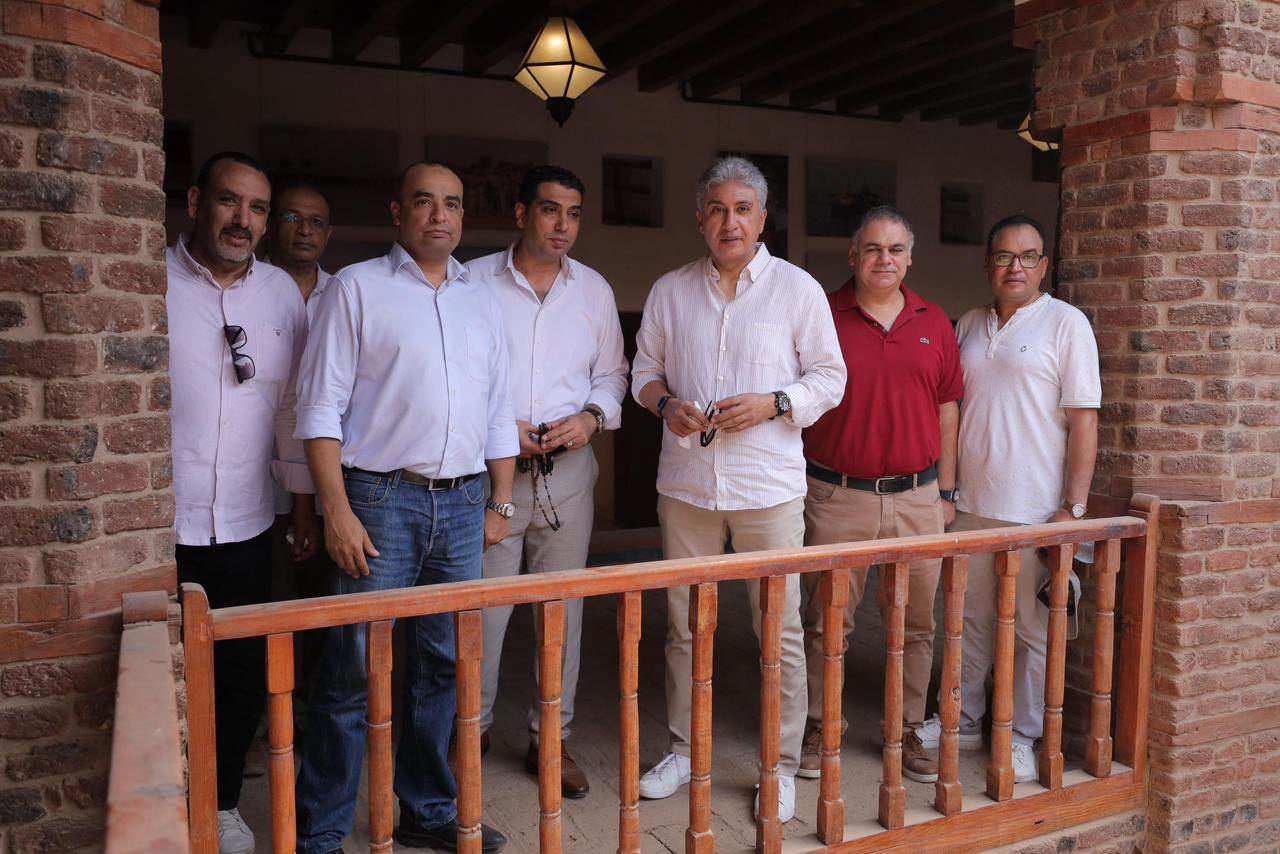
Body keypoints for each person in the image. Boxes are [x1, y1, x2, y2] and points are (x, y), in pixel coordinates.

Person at [293, 162, 515, 854]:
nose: (439, 215)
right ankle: (321, 831)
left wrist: (501, 501)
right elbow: (319, 408)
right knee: (353, 666)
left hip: (463, 503)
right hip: (379, 500)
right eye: (424, 201)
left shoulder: (482, 299)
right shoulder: (356, 288)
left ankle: (425, 809)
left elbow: (497, 408)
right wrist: (335, 511)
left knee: (442, 666)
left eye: (452, 203)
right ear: (398, 212)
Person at [631, 156, 846, 823]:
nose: (731, 222)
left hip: (768, 490)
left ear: (762, 218)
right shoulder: (670, 290)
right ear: (700, 218)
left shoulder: (798, 290)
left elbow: (830, 377)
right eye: (718, 209)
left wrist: (775, 402)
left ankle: (777, 766)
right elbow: (643, 375)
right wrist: (667, 405)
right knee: (683, 627)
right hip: (688, 486)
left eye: (743, 209)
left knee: (778, 631)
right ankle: (683, 750)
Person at [166, 151, 317, 854]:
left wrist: (303, 507)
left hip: (251, 519)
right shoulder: (150, 281)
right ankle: (168, 803)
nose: (243, 220)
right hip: (162, 523)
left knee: (239, 672)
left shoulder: (282, 294)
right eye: (230, 201)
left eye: (258, 209)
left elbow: (291, 408)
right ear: (197, 201)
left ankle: (222, 803)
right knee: (164, 671)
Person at [915, 214, 1100, 783]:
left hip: (1034, 511)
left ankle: (1022, 734)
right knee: (966, 620)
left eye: (1027, 257)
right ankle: (964, 718)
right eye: (1003, 256)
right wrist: (945, 491)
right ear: (987, 264)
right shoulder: (969, 325)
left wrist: (1072, 509)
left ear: (1044, 266)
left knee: (1030, 631)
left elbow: (1084, 421)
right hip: (971, 504)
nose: (1014, 267)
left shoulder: (1066, 324)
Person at [465, 165, 628, 799]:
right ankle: (469, 733)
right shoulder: (472, 282)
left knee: (562, 611)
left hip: (568, 475)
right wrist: (500, 427)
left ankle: (551, 738)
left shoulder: (594, 290)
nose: (563, 225)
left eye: (574, 213)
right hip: (491, 476)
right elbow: (455, 374)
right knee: (483, 611)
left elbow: (612, 375)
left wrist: (590, 418)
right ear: (520, 213)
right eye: (550, 210)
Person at [798, 205, 962, 784]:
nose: (883, 259)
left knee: (915, 623)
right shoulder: (823, 315)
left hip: (918, 496)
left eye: (895, 250)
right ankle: (821, 725)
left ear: (910, 258)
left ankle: (907, 728)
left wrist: (947, 490)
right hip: (838, 495)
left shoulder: (934, 321)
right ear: (853, 256)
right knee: (827, 622)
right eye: (872, 248)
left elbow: (948, 408)